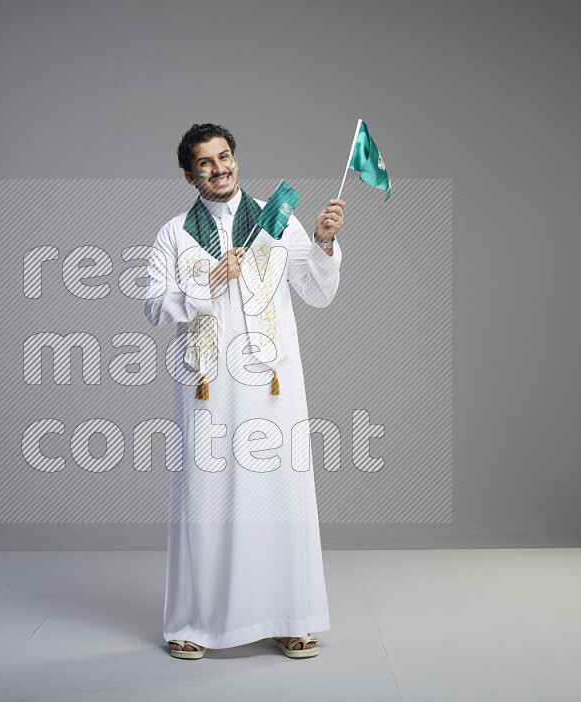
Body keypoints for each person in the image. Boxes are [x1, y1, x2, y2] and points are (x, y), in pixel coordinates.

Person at [143, 123, 345, 659]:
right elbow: (152, 307)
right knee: (204, 500)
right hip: (207, 387)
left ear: (236, 159)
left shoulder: (275, 218)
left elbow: (316, 289)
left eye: (225, 156)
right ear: (189, 174)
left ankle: (289, 617)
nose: (219, 168)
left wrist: (323, 241)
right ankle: (194, 621)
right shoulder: (175, 235)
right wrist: (205, 282)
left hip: (273, 384)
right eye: (205, 162)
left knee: (280, 497)